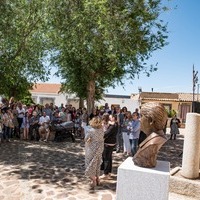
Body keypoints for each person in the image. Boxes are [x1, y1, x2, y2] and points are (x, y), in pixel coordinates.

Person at [133, 102, 168, 168]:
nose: (139, 120)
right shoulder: (157, 137)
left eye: (141, 116)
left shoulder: (153, 142)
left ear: (151, 120)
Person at [84, 117, 104, 190]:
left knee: (90, 163)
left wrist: (90, 139)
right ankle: (98, 179)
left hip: (92, 149)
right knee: (97, 163)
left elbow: (86, 139)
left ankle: (93, 180)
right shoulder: (102, 130)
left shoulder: (90, 131)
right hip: (100, 148)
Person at [100, 114, 118, 179]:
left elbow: (106, 133)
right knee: (109, 158)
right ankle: (109, 172)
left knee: (106, 158)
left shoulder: (113, 126)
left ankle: (106, 173)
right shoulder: (114, 125)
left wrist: (100, 135)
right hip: (111, 143)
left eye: (110, 118)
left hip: (108, 143)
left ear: (113, 118)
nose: (109, 119)